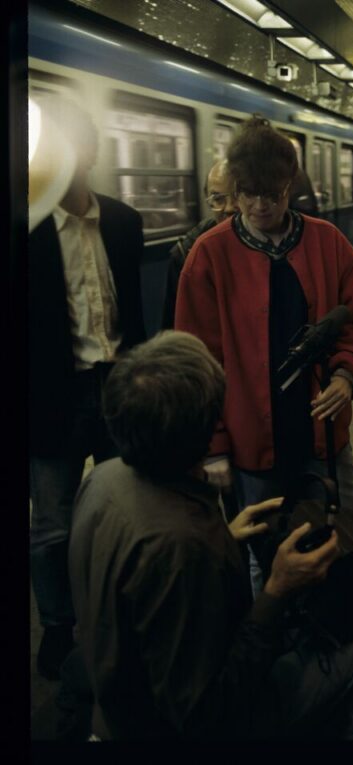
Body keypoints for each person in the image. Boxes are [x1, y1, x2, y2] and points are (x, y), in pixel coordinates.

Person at [69, 331, 353, 739]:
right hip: (187, 727)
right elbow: (206, 715)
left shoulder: (104, 479)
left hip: (116, 709)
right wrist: (277, 591)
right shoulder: (180, 546)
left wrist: (225, 539)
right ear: (205, 429)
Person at [175, 117, 353, 589]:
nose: (258, 205)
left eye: (272, 194)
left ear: (290, 185)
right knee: (265, 555)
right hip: (251, 440)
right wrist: (213, 447)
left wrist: (347, 377)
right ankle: (274, 644)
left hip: (321, 432)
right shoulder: (208, 256)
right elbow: (197, 366)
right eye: (247, 193)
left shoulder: (327, 242)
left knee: (351, 529)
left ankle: (347, 627)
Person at [28, 96, 146, 680]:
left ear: (92, 152)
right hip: (53, 392)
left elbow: (136, 317)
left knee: (130, 508)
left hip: (119, 386)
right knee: (51, 525)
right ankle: (57, 627)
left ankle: (124, 612)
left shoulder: (123, 222)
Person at [161, 159, 237, 328]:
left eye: (237, 195)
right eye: (218, 199)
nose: (230, 208)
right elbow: (174, 327)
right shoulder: (186, 253)